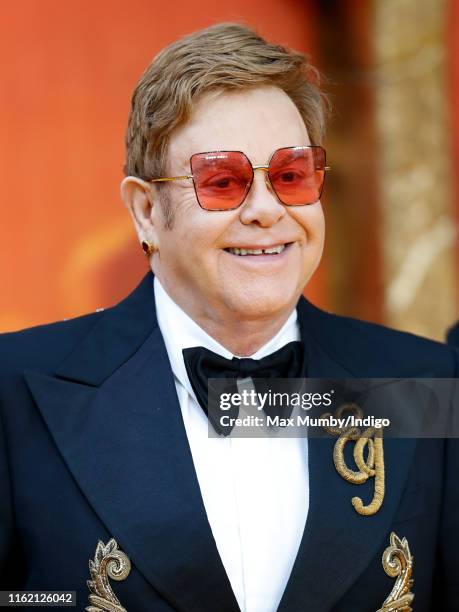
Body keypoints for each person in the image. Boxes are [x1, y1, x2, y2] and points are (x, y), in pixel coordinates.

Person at [0, 22, 458, 612]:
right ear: (145, 211)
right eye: (223, 182)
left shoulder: (427, 384)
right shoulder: (14, 390)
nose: (266, 211)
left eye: (291, 176)